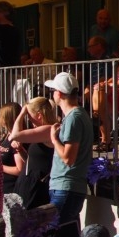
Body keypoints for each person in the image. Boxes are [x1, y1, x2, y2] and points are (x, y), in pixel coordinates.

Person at [45, 72, 93, 226]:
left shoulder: (74, 117)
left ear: (59, 94)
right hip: (68, 187)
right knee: (69, 234)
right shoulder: (78, 115)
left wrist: (54, 139)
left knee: (57, 234)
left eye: (53, 91)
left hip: (66, 186)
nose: (52, 94)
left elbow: (68, 158)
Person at [9, 97, 56, 209]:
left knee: (29, 216)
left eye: (29, 116)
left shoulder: (49, 129)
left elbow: (14, 135)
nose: (29, 120)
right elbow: (34, 160)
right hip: (28, 180)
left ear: (39, 115)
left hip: (36, 184)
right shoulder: (42, 132)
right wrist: (20, 150)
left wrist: (22, 113)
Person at [0, 102, 26, 194]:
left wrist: (0, 167)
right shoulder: (6, 137)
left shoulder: (17, 139)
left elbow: (19, 169)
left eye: (1, 116)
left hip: (11, 190)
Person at [0, 1, 21, 69]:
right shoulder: (15, 30)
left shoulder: (8, 30)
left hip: (3, 69)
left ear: (5, 12)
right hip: (12, 68)